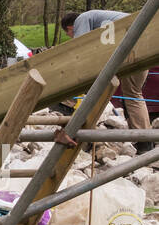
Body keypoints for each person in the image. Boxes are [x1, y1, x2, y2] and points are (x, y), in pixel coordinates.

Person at [61, 10, 154, 151]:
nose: (71, 36)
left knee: (114, 94)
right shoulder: (103, 20)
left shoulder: (82, 19)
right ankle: (145, 142)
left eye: (69, 34)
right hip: (145, 46)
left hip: (131, 49)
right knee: (134, 94)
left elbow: (81, 50)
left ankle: (88, 138)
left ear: (69, 28)